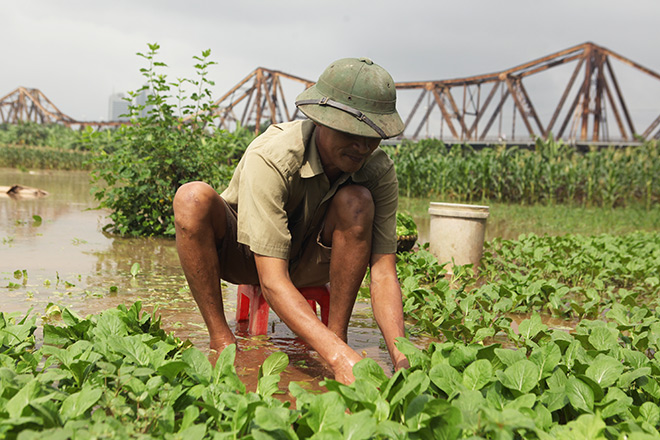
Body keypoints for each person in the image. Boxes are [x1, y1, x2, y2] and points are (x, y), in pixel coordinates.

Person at [173, 57, 409, 384]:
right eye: (352, 133)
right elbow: (272, 280)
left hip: (314, 259)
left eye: (373, 135)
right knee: (191, 199)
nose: (363, 146)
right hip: (248, 258)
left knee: (357, 201)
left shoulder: (377, 169)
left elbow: (383, 271)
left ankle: (334, 337)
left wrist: (401, 355)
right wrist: (340, 358)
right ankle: (221, 340)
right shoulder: (272, 155)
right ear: (322, 121)